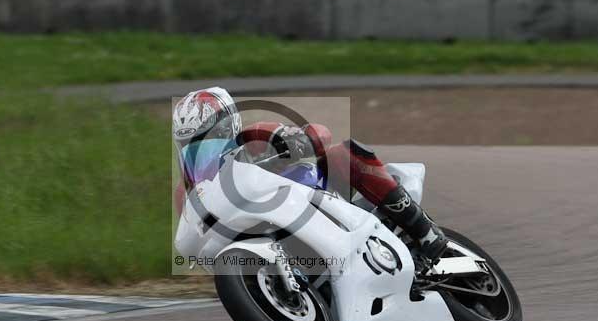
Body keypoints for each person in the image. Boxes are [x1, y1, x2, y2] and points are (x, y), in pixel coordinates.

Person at [173, 87, 448, 264]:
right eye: (192, 148)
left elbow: (320, 135)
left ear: (229, 125)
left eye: (210, 139)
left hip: (315, 200)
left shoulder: (253, 138)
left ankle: (422, 229)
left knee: (344, 153)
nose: (202, 155)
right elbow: (197, 245)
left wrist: (299, 140)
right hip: (261, 247)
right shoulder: (187, 194)